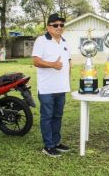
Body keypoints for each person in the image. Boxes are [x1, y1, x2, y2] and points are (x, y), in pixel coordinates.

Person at [32, 13, 71, 157]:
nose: (59, 27)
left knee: (58, 116)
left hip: (61, 87)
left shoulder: (65, 42)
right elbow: (36, 61)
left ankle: (56, 142)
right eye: (55, 25)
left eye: (61, 25)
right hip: (47, 88)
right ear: (48, 27)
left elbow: (68, 63)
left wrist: (68, 81)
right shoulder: (41, 40)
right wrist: (52, 65)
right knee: (47, 116)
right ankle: (48, 146)